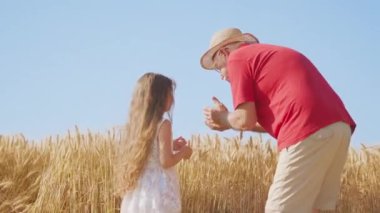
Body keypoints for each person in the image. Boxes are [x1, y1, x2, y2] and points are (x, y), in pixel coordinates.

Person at [200, 28, 356, 213]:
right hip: (339, 128)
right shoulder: (267, 55)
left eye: (218, 66)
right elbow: (266, 119)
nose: (221, 75)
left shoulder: (237, 58)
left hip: (308, 129)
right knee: (318, 209)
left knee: (279, 209)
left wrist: (223, 119)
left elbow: (244, 120)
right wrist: (230, 120)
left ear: (224, 52)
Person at [116, 72, 193, 213]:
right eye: (170, 93)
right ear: (159, 97)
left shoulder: (138, 126)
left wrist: (171, 144)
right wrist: (184, 152)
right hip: (159, 192)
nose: (173, 98)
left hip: (139, 193)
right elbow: (166, 161)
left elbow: (151, 147)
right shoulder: (164, 123)